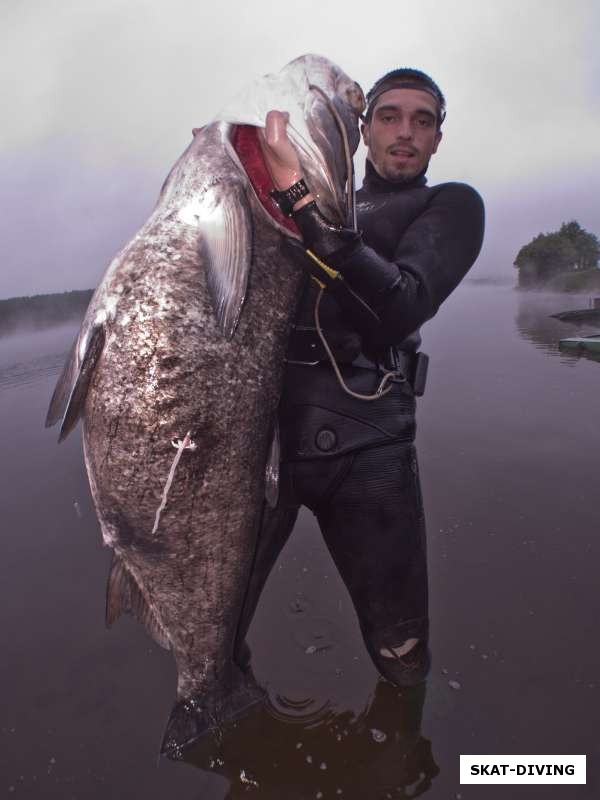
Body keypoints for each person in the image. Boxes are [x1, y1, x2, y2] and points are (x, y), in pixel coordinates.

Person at [234, 68, 485, 687]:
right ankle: (224, 734)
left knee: (401, 648)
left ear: (437, 139)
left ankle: (404, 765)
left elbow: (399, 306)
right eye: (390, 117)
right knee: (214, 626)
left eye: (422, 121)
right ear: (363, 130)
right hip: (262, 439)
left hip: (369, 439)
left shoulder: (449, 205)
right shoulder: (321, 190)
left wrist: (300, 200)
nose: (405, 132)